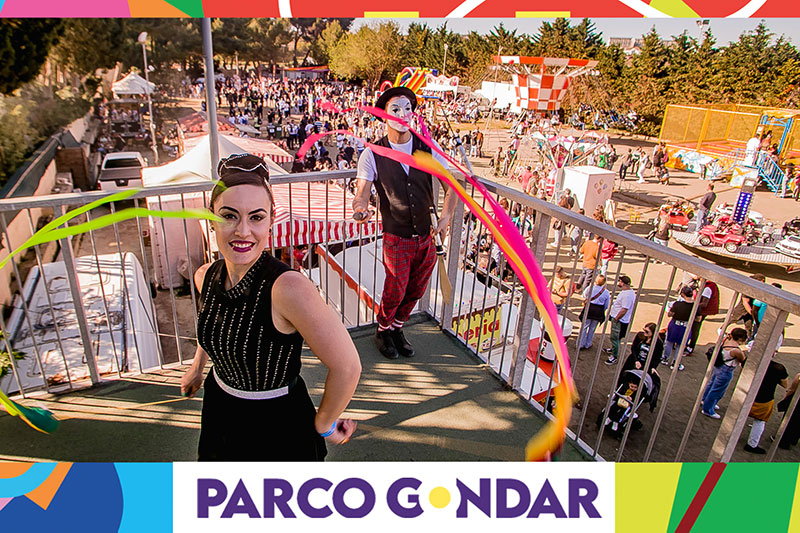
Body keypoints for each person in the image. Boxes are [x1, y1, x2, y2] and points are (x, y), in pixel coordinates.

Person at [180, 153, 361, 461]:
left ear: (271, 220)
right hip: (219, 407)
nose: (243, 231)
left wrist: (324, 423)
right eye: (229, 216)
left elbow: (348, 367)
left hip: (276, 423)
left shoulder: (288, 288)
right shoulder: (204, 277)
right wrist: (197, 369)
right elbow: (214, 321)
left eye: (256, 217)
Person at [353, 86, 456, 360]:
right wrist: (360, 208)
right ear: (384, 116)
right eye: (396, 109)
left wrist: (446, 217)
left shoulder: (427, 148)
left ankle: (398, 327)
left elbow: (452, 187)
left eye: (408, 109)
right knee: (395, 288)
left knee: (417, 288)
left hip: (428, 235)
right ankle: (383, 329)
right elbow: (361, 192)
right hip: (396, 237)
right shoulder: (372, 154)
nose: (403, 114)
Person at [701, 327, 748, 419]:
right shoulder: (736, 350)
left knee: (711, 384)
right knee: (718, 390)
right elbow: (743, 359)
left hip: (719, 366)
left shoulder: (726, 341)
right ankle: (708, 409)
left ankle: (705, 400)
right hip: (726, 370)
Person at [744, 358, 788, 454]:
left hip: (746, 394)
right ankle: (752, 444)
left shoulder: (750, 360)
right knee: (760, 421)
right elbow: (785, 384)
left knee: (739, 416)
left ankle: (730, 435)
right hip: (765, 398)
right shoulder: (779, 368)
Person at [604, 275, 636, 365]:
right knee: (616, 337)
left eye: (620, 281)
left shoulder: (627, 295)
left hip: (620, 320)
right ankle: (614, 349)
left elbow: (624, 309)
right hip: (619, 319)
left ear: (622, 283)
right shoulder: (627, 292)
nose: (619, 283)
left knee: (615, 338)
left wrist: (616, 318)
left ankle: (614, 356)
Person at [661, 286, 694, 371]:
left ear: (683, 294)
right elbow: (698, 318)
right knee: (681, 345)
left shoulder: (677, 304)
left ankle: (665, 358)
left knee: (669, 342)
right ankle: (675, 362)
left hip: (675, 325)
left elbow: (670, 314)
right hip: (686, 326)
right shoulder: (695, 306)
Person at [578, 275, 610, 350]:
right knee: (592, 328)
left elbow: (584, 295)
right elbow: (606, 305)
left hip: (589, 308)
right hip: (599, 310)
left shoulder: (590, 288)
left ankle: (580, 344)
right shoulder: (606, 292)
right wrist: (602, 311)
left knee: (584, 327)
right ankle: (588, 344)